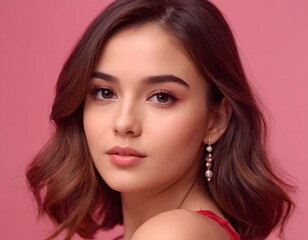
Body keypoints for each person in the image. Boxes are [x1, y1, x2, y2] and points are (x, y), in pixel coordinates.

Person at [26, 0, 294, 239]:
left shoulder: (173, 233)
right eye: (105, 92)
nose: (124, 123)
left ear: (216, 120)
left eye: (161, 97)